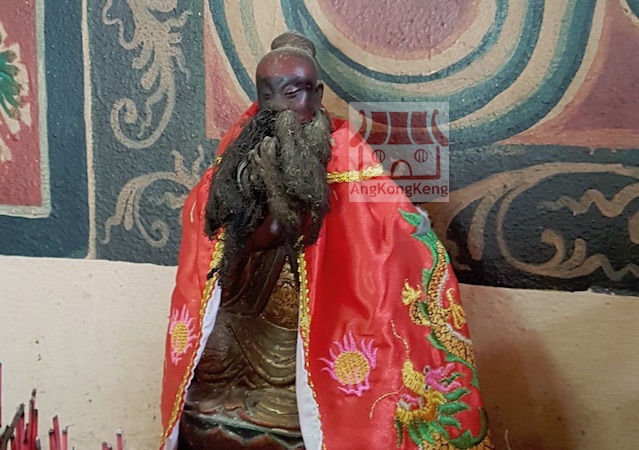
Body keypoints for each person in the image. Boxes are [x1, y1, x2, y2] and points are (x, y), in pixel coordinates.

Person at [160, 31, 493, 450]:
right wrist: (255, 223)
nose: (278, 107)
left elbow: (390, 239)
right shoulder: (240, 150)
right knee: (212, 362)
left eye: (293, 93)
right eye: (267, 94)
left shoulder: (349, 157)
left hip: (313, 320)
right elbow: (209, 231)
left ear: (316, 95)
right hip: (247, 312)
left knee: (301, 368)